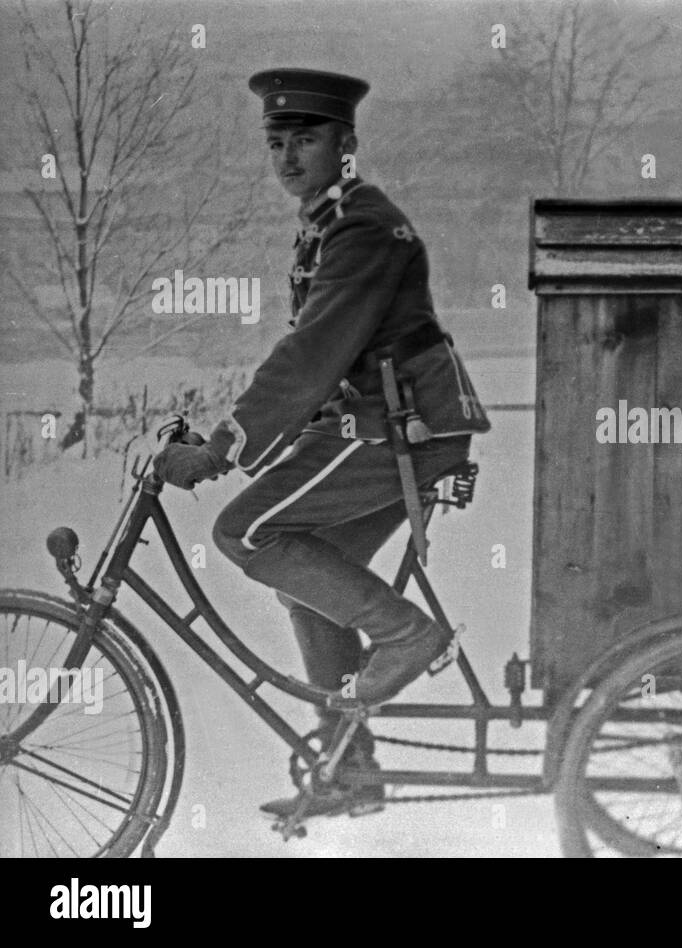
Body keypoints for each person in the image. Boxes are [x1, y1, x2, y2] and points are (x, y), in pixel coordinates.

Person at [153, 68, 491, 818]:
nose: (287, 156)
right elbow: (319, 364)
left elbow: (313, 353)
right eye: (277, 142)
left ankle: (408, 639)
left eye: (305, 139)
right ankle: (352, 769)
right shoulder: (326, 222)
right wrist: (262, 441)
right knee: (306, 572)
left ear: (347, 145)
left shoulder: (363, 227)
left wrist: (220, 450)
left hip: (400, 429)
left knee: (243, 530)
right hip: (384, 424)